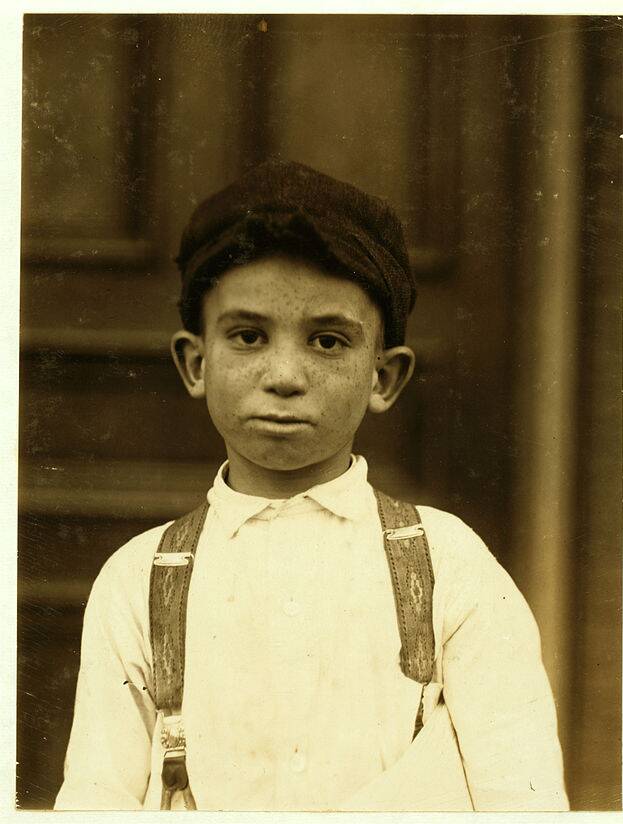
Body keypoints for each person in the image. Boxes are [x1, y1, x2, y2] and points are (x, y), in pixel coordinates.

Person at [54, 159, 569, 812]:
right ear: (195, 363)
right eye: (248, 336)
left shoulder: (450, 563)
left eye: (327, 342)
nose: (285, 375)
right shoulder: (139, 579)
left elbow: (526, 800)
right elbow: (94, 801)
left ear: (384, 378)